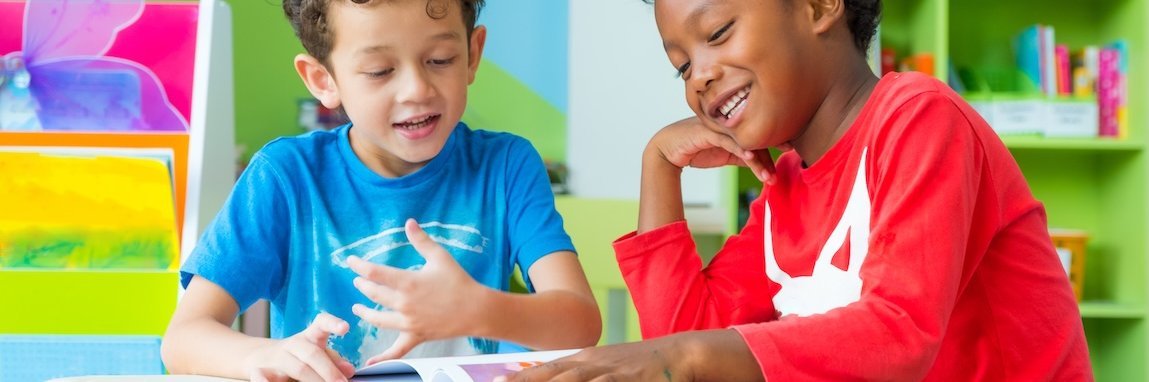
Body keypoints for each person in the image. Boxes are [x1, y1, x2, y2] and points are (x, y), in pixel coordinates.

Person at [503, 0, 1093, 380]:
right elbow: (686, 337)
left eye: (719, 32)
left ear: (818, 6)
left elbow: (899, 333)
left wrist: (682, 358)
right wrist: (659, 164)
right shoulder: (785, 187)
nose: (700, 76)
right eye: (681, 67)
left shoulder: (921, 118)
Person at [160, 0, 602, 381]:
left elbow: (580, 323)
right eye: (380, 70)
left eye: (441, 59)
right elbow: (183, 338)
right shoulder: (285, 176)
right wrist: (262, 354)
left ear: (472, 54)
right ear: (322, 80)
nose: (416, 89)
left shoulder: (506, 166)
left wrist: (476, 309)